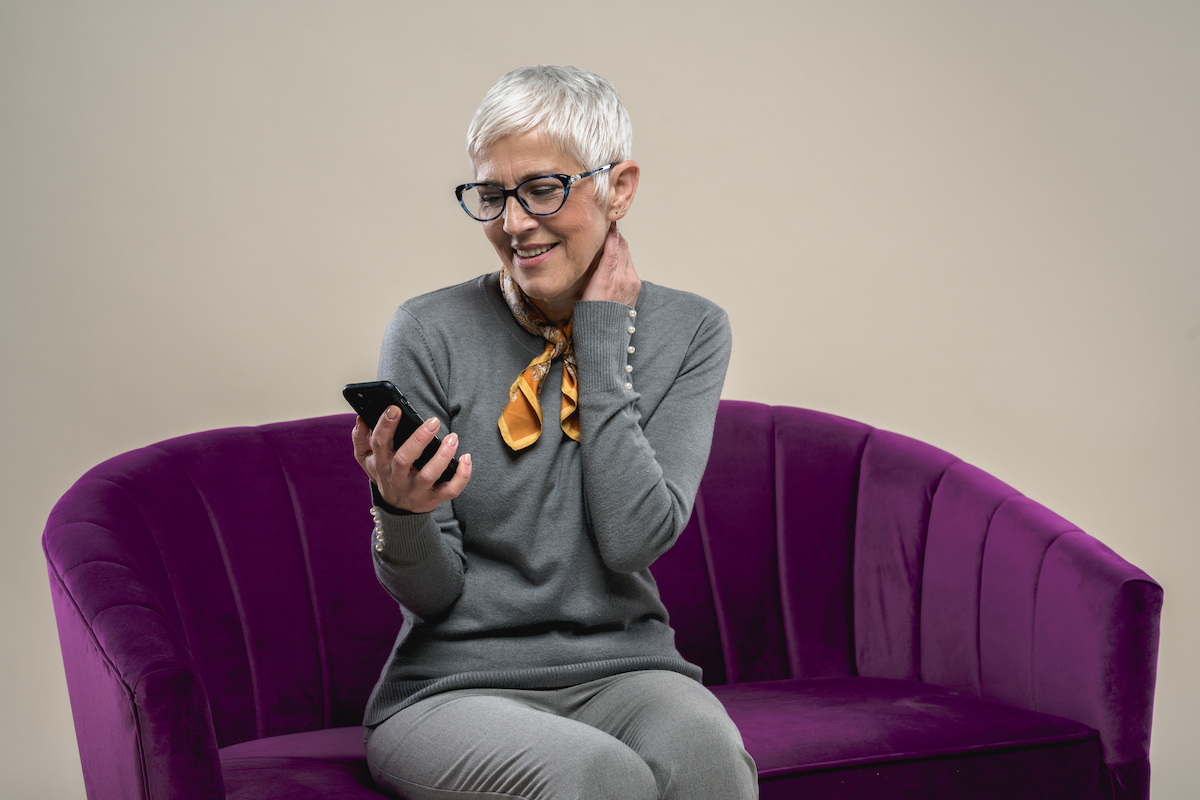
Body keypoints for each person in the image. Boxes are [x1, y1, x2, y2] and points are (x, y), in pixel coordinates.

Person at [352, 65, 758, 800]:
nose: (513, 223)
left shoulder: (693, 330)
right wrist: (401, 510)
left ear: (620, 188)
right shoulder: (427, 330)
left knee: (710, 761)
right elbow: (434, 596)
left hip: (630, 671)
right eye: (492, 196)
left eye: (542, 189)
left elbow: (634, 539)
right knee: (595, 779)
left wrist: (602, 339)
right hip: (450, 689)